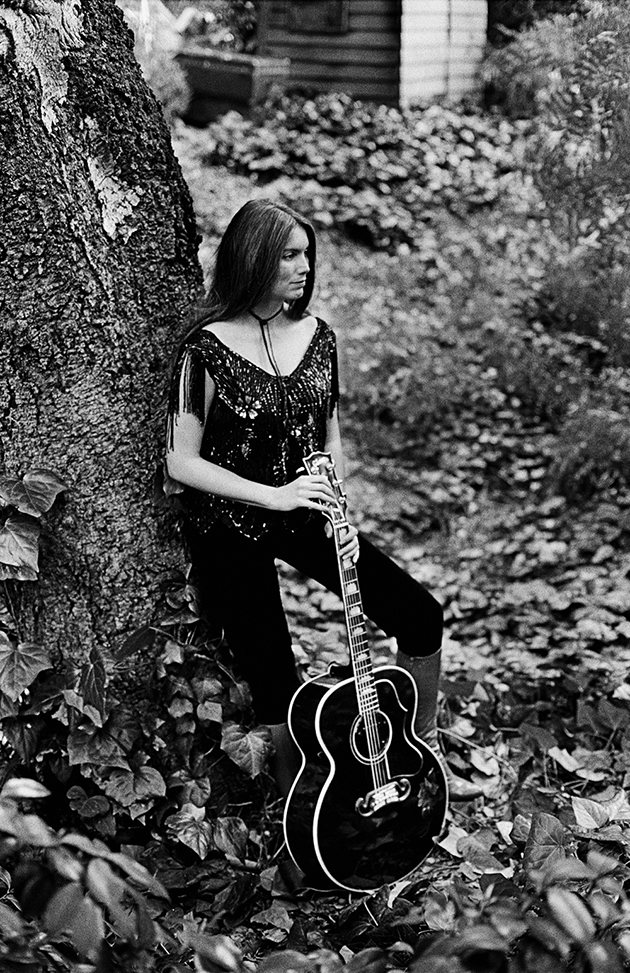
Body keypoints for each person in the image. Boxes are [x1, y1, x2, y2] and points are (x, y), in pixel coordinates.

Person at [165, 199, 481, 801]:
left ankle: (421, 755)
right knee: (275, 676)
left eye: (307, 253)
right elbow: (180, 462)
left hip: (306, 507)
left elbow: (328, 432)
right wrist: (275, 496)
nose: (304, 266)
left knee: (419, 614)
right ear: (254, 258)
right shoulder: (203, 349)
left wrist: (332, 494)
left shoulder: (317, 337)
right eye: (288, 255)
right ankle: (302, 815)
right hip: (230, 524)